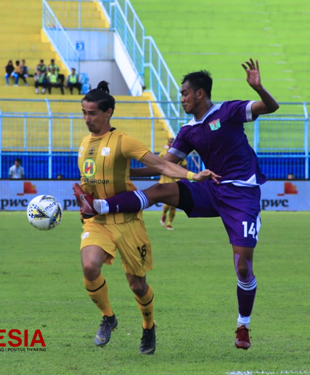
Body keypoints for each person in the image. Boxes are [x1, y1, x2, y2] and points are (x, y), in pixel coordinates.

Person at [73, 58, 279, 350]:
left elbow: (270, 107)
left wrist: (259, 88)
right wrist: (122, 171)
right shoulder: (188, 131)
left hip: (242, 194)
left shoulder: (229, 111)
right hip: (211, 187)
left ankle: (243, 325)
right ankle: (103, 208)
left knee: (243, 268)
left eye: (184, 93)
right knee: (160, 190)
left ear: (199, 94)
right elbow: (163, 166)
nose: (181, 98)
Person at [72, 81, 217, 355]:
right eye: (84, 112)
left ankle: (149, 326)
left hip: (128, 222)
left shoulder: (123, 141)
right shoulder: (83, 145)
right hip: (98, 223)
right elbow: (88, 183)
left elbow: (160, 164)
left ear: (108, 112)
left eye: (92, 113)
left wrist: (192, 175)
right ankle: (108, 317)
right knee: (90, 267)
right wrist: (82, 199)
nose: (87, 119)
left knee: (137, 285)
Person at [157, 137, 188, 230]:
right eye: (170, 143)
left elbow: (185, 166)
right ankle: (163, 214)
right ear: (168, 144)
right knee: (167, 203)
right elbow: (157, 165)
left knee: (175, 204)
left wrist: (186, 176)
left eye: (172, 143)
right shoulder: (163, 154)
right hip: (165, 181)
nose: (171, 144)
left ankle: (169, 224)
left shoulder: (180, 154)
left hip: (175, 181)